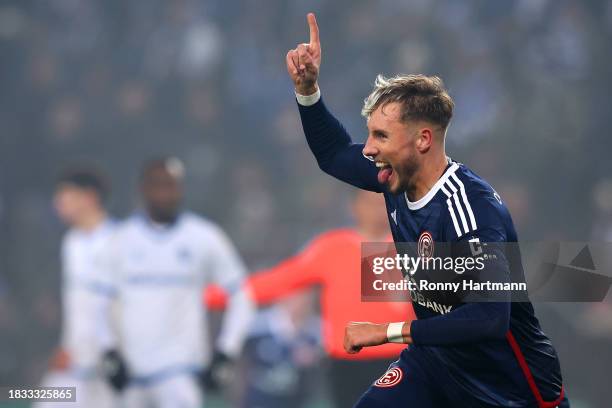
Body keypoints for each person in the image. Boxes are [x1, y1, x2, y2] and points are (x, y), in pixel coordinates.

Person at [284, 13, 568, 407]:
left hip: (507, 388)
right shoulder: (393, 175)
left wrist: (386, 331)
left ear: (422, 140)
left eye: (381, 136)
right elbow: (332, 153)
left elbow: (489, 318)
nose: (368, 149)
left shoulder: (471, 209)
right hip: (434, 362)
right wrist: (308, 92)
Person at [206, 190, 415, 407]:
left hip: (397, 358)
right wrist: (209, 296)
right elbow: (277, 282)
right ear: (354, 207)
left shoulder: (410, 246)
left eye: (383, 204)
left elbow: (447, 297)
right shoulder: (333, 247)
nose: (377, 211)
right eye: (370, 203)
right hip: (346, 363)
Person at [101, 157, 255, 408]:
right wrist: (108, 351)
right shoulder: (120, 240)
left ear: (181, 189)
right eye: (157, 185)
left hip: (181, 373)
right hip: (130, 375)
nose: (164, 193)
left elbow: (242, 296)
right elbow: (100, 302)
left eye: (170, 185)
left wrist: (226, 353)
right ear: (143, 189)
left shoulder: (204, 237)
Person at [36, 167, 117, 408]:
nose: (57, 203)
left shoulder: (119, 241)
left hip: (110, 365)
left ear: (89, 197)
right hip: (73, 362)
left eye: (65, 196)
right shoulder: (71, 242)